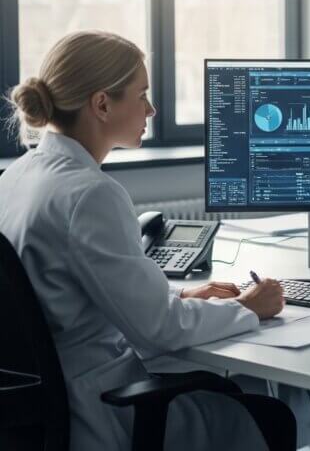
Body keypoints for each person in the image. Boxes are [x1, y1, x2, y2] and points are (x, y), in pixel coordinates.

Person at [0, 31, 286, 450]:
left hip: (35, 413)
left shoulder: (17, 176)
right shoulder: (90, 193)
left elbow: (70, 298)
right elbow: (162, 329)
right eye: (142, 94)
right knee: (268, 415)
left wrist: (184, 294)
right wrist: (247, 307)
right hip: (99, 411)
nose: (151, 108)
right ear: (101, 104)